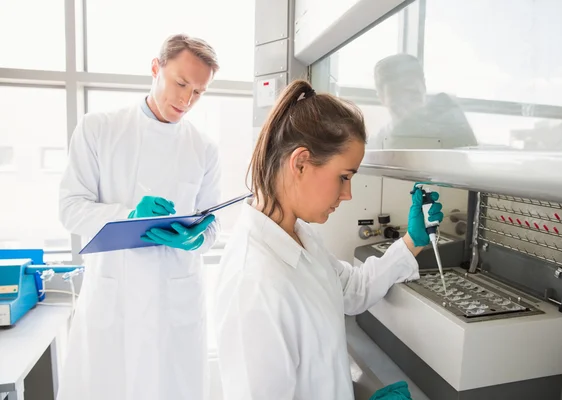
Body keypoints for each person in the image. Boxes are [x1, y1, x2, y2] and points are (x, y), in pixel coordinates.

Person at [214, 79, 443, 399]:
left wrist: (412, 242)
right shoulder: (254, 282)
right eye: (344, 177)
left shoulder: (297, 236)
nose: (348, 194)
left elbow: (351, 289)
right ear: (301, 163)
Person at [57, 34, 221, 400]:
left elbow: (211, 225)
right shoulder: (98, 129)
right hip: (115, 300)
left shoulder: (204, 148)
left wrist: (197, 238)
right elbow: (69, 208)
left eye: (199, 91)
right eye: (180, 83)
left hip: (174, 302)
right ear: (155, 68)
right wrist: (127, 215)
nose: (186, 100)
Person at [368, 53, 477, 150]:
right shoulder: (379, 142)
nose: (407, 107)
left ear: (424, 87)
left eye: (413, 95)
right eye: (397, 98)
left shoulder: (449, 124)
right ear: (381, 97)